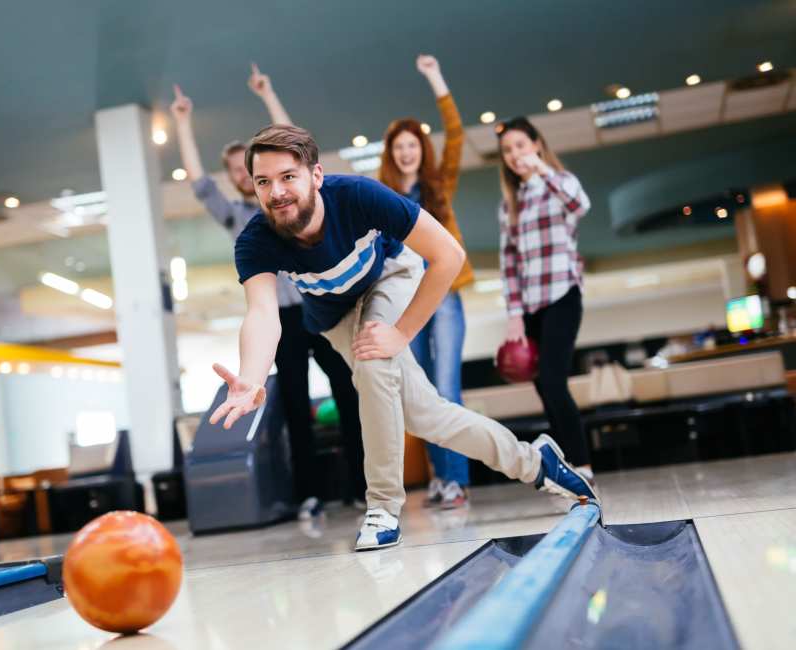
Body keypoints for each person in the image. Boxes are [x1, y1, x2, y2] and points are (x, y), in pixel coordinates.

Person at [210, 124, 598, 551]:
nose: (277, 192)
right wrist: (251, 377)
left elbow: (449, 255)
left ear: (315, 176)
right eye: (264, 182)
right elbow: (264, 314)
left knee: (375, 361)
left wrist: (402, 332)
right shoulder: (256, 238)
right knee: (427, 416)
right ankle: (535, 462)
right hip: (335, 316)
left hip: (390, 277)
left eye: (288, 177)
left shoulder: (359, 196)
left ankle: (382, 507)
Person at [170, 78, 366, 519]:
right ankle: (311, 494)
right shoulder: (238, 216)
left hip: (319, 305)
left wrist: (267, 95)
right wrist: (182, 123)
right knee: (295, 405)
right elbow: (199, 184)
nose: (242, 176)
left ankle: (360, 485)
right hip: (279, 320)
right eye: (237, 172)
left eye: (247, 168)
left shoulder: (293, 198)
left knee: (348, 393)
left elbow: (294, 145)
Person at [377, 54, 471, 510]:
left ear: (421, 149)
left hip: (446, 295)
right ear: (392, 154)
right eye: (399, 146)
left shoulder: (439, 184)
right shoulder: (384, 196)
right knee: (422, 393)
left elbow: (456, 134)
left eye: (413, 144)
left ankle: (456, 479)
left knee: (447, 387)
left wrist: (436, 76)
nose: (406, 152)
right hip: (408, 301)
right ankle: (440, 478)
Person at [496, 116, 594, 482]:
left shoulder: (561, 183)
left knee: (554, 380)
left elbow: (579, 206)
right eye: (508, 150)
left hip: (562, 293)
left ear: (536, 145)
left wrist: (542, 170)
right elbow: (509, 263)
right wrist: (514, 315)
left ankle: (582, 467)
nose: (515, 155)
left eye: (521, 146)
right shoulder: (509, 205)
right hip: (531, 304)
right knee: (543, 385)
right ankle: (570, 468)